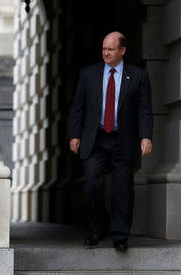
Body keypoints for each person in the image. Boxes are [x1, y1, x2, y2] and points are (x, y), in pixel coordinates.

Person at [68, 31, 153, 250]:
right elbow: (78, 107)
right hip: (95, 139)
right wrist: (74, 134)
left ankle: (120, 236)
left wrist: (146, 136)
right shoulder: (89, 74)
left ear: (122, 51)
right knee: (92, 183)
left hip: (123, 139)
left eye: (111, 49)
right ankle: (98, 228)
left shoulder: (138, 76)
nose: (106, 53)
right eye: (104, 48)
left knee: (122, 188)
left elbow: (144, 110)